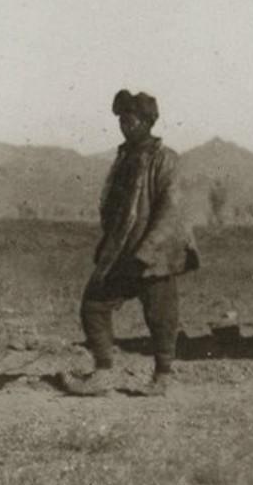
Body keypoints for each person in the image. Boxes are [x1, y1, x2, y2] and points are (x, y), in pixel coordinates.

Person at [62, 90, 200, 397]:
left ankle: (163, 378)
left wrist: (147, 252)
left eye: (131, 119)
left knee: (161, 316)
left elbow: (171, 211)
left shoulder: (165, 160)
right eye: (122, 119)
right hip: (122, 253)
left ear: (148, 122)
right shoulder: (124, 158)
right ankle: (102, 374)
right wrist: (108, 244)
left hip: (156, 256)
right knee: (94, 305)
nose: (125, 125)